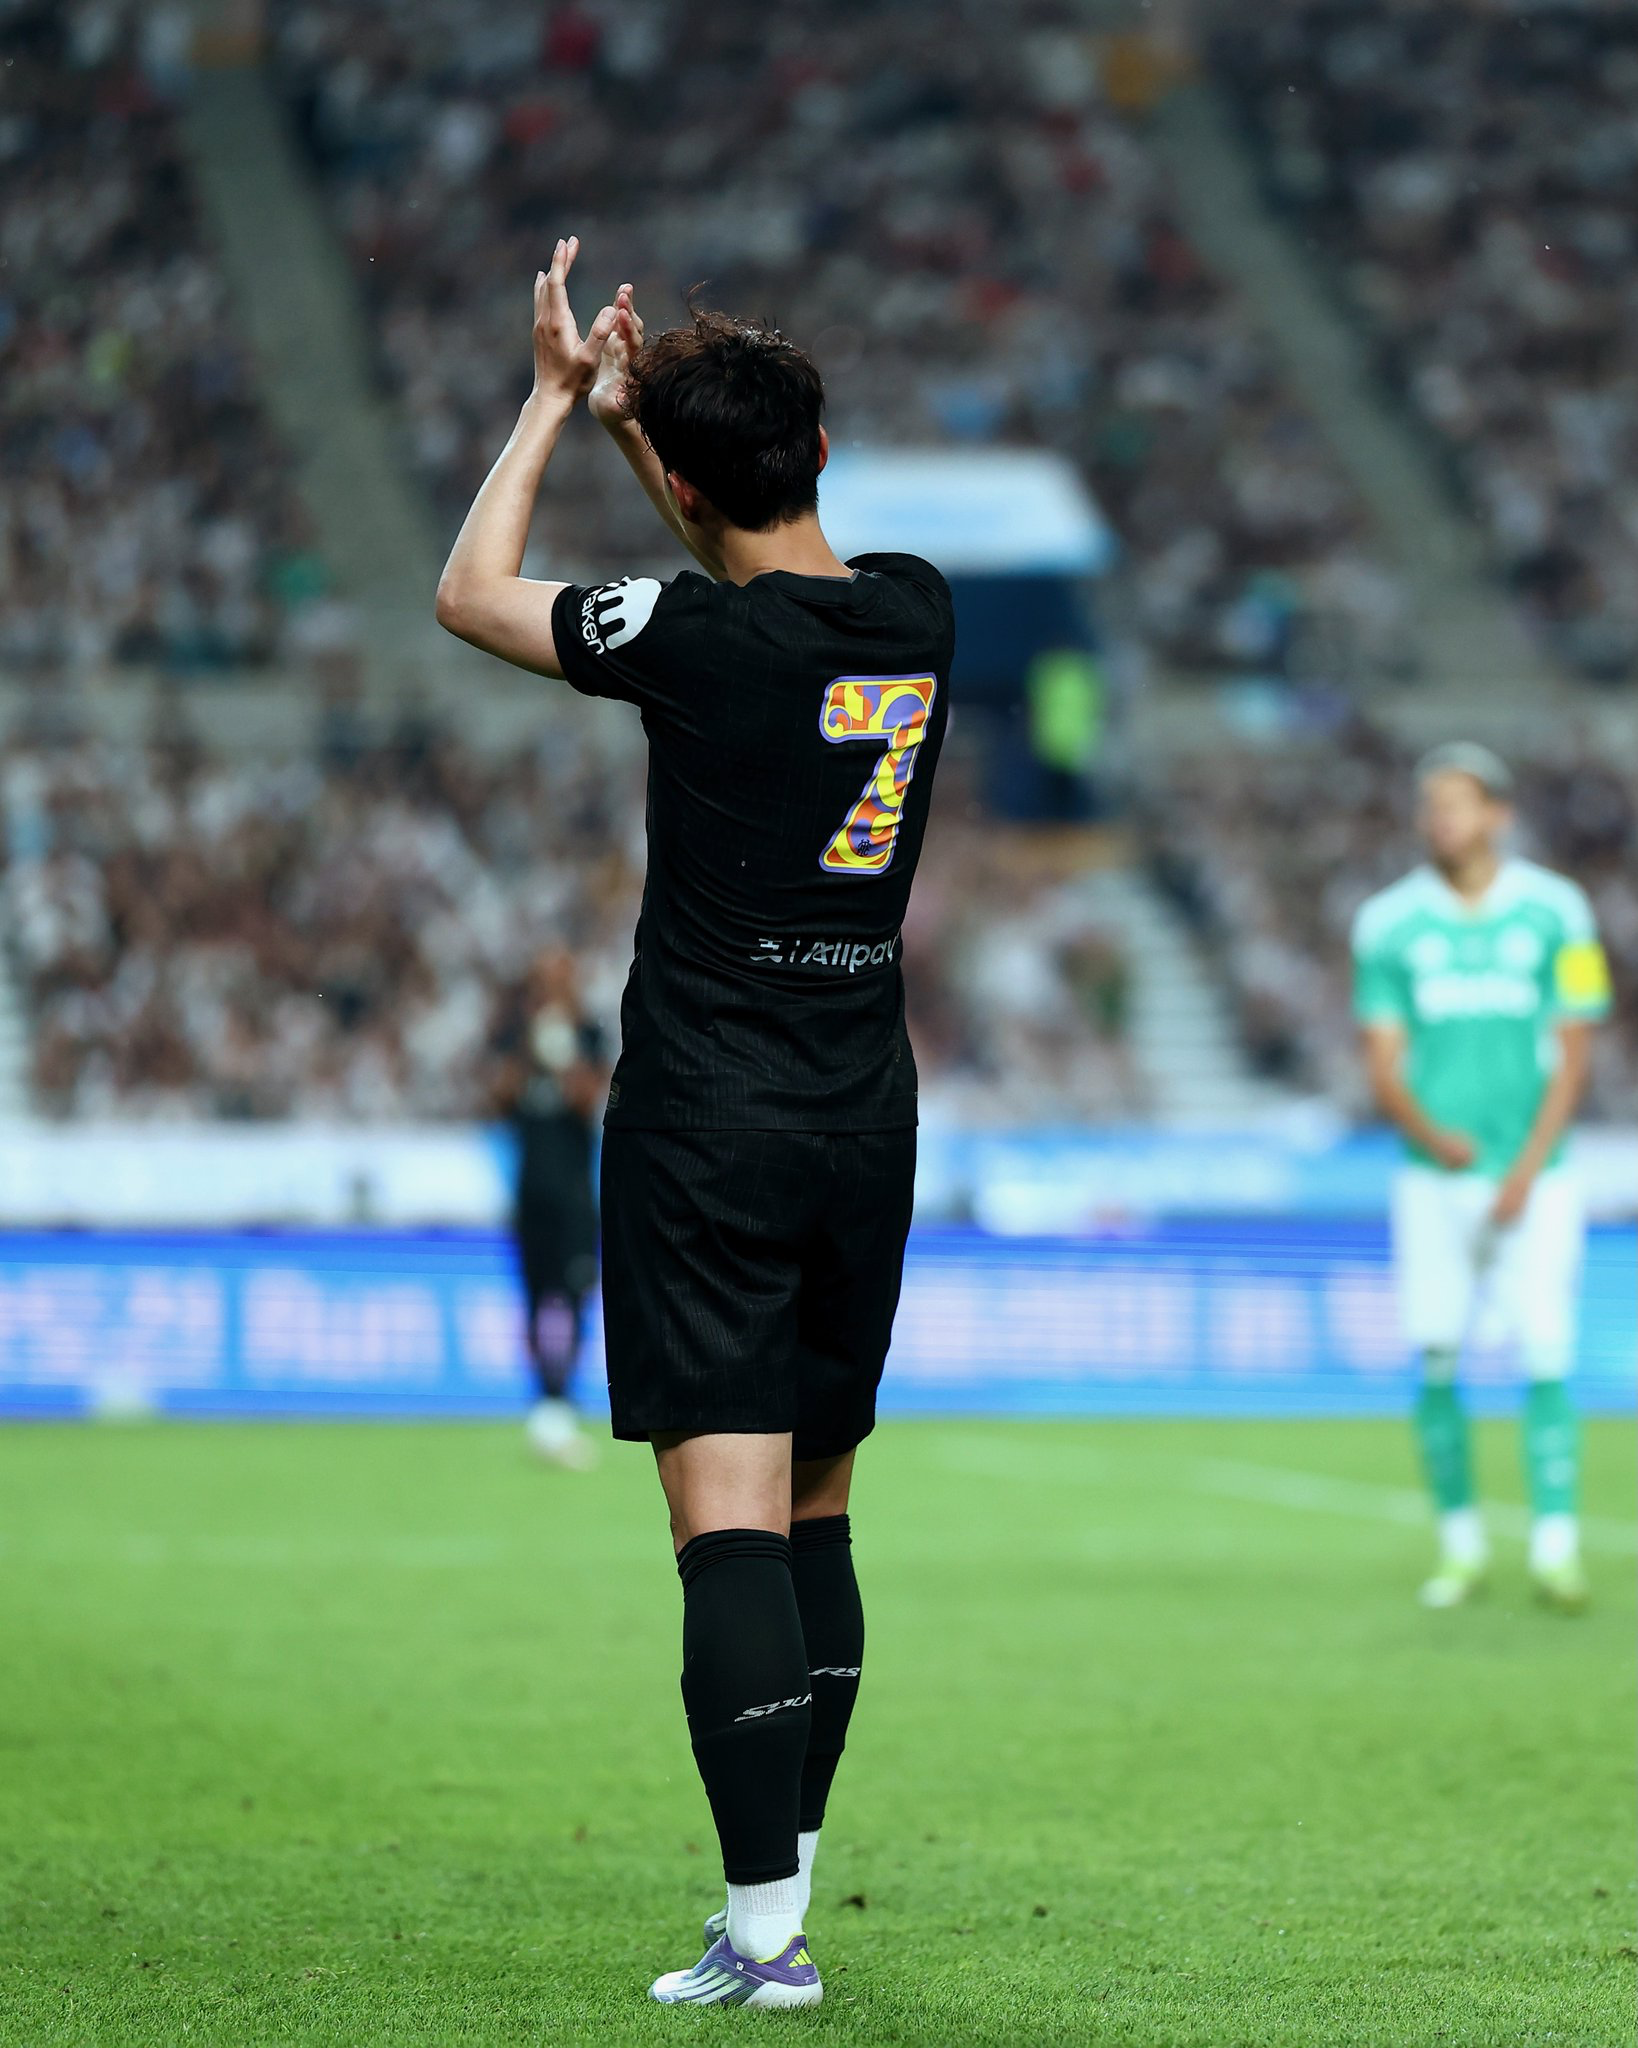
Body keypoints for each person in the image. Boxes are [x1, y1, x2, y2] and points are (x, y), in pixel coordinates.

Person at [435, 238, 952, 2008]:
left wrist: (556, 405)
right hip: (861, 1119)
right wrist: (652, 437)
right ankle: (780, 1897)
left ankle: (763, 1938)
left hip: (704, 1123)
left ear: (671, 486)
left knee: (723, 1522)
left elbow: (471, 593)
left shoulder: (684, 641)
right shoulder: (916, 610)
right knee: (816, 1511)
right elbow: (742, 554)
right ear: (820, 452)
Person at [1352, 743, 1612, 1613]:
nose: (1440, 822)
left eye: (1456, 806)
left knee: (1545, 1354)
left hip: (1539, 1179)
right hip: (1431, 1183)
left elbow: (1577, 1049)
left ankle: (1555, 1550)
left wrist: (1527, 1166)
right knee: (1435, 1356)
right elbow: (1383, 1063)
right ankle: (1460, 1547)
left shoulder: (1559, 912)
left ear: (1497, 814)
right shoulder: (1387, 923)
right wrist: (1437, 1138)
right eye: (1430, 807)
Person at [496, 947, 606, 1468]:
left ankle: (564, 1400)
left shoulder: (587, 1033)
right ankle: (543, 1402)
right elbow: (498, 1099)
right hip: (529, 1194)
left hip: (574, 1196)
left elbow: (588, 1102)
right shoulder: (516, 1035)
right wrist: (530, 1050)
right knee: (534, 1299)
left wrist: (562, 1052)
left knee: (575, 1297)